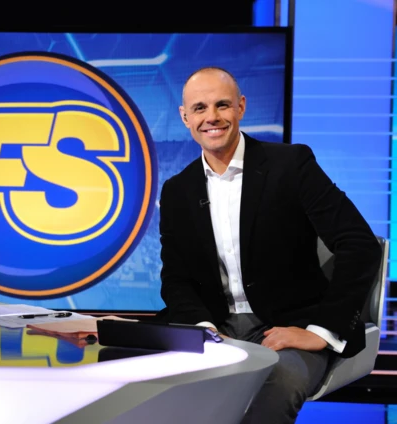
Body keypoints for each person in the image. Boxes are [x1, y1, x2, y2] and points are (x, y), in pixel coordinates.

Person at [158, 67, 382, 423]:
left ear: (242, 107)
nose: (211, 117)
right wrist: (201, 328)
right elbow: (176, 279)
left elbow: (359, 244)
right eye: (199, 108)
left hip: (290, 323)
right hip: (214, 329)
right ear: (185, 116)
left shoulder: (291, 165)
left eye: (222, 105)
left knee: (280, 379)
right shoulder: (176, 191)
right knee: (148, 379)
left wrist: (320, 332)